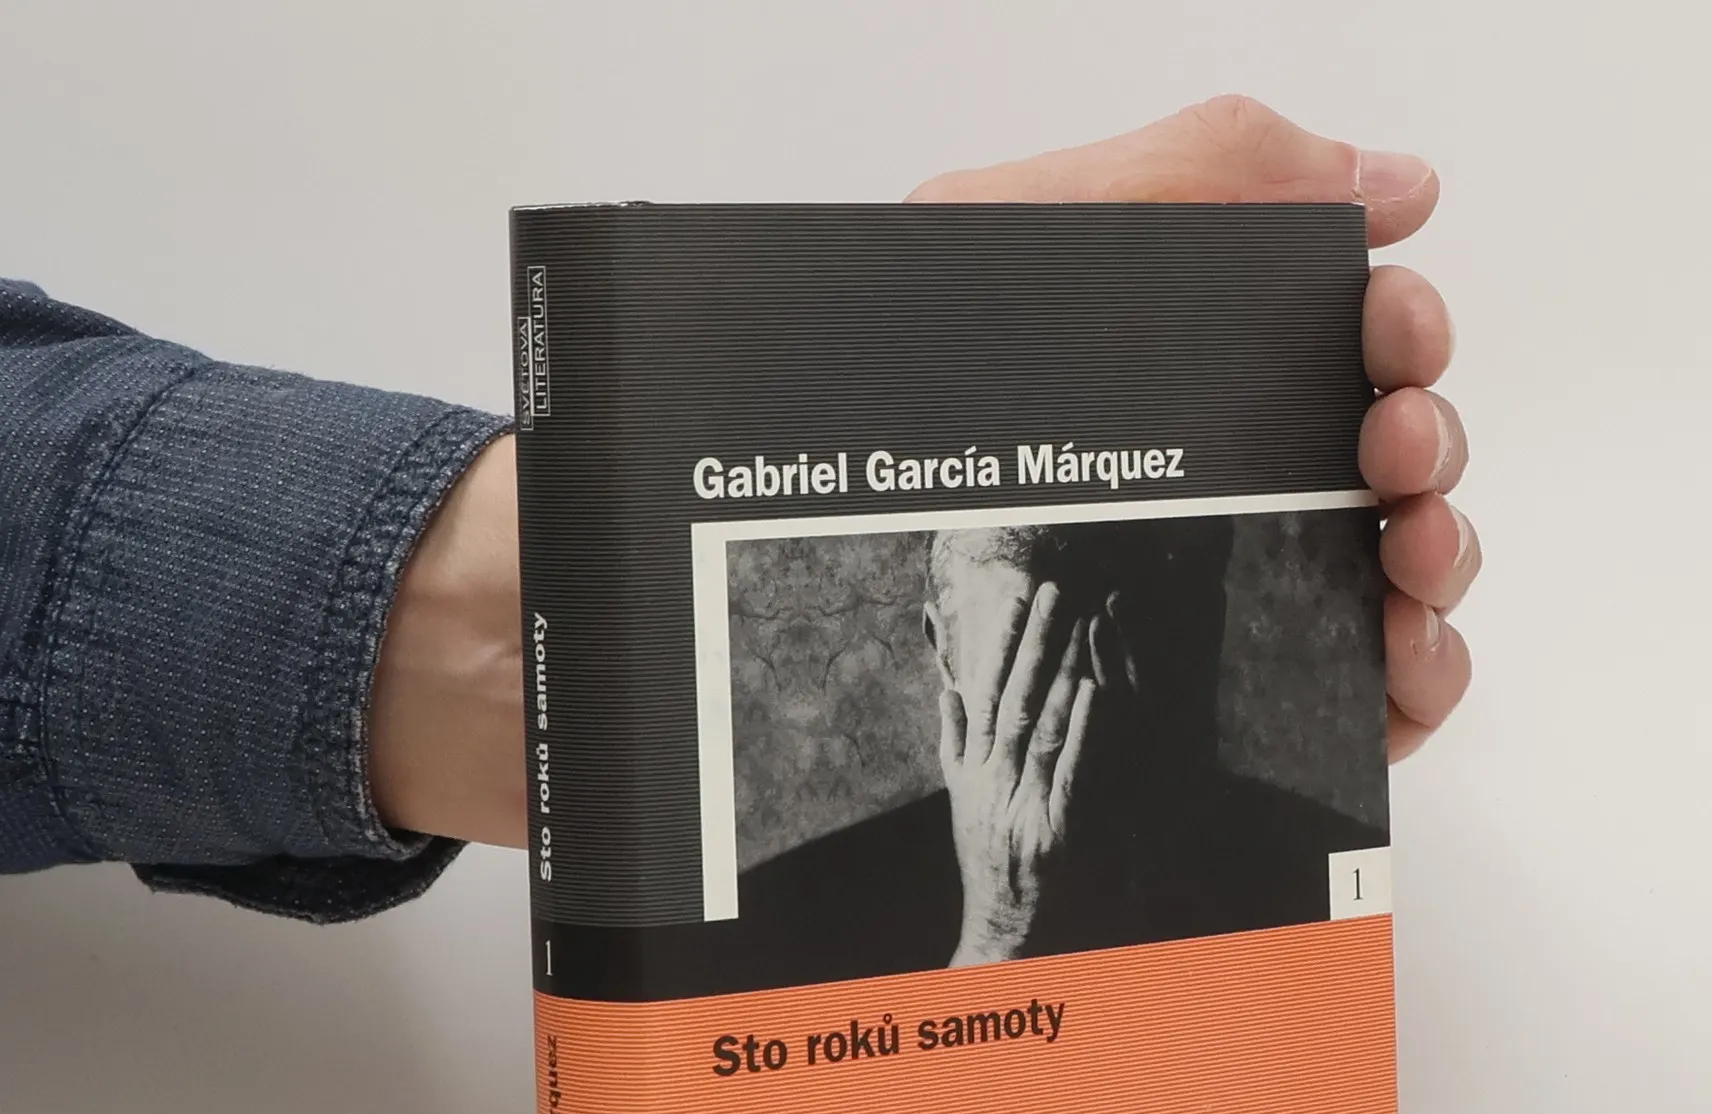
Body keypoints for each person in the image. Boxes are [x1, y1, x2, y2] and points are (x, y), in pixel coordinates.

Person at [0, 99, 1477, 927]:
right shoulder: (796, 898)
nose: (1087, 658)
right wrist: (1001, 925)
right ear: (928, 634)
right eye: (1037, 590)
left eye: (1133, 585)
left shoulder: (1304, 848)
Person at [711, 516, 1386, 992]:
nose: (1084, 708)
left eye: (1120, 645)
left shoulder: (1344, 881)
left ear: (1205, 634)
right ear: (943, 654)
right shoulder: (786, 924)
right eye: (1031, 665)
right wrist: (1000, 936)